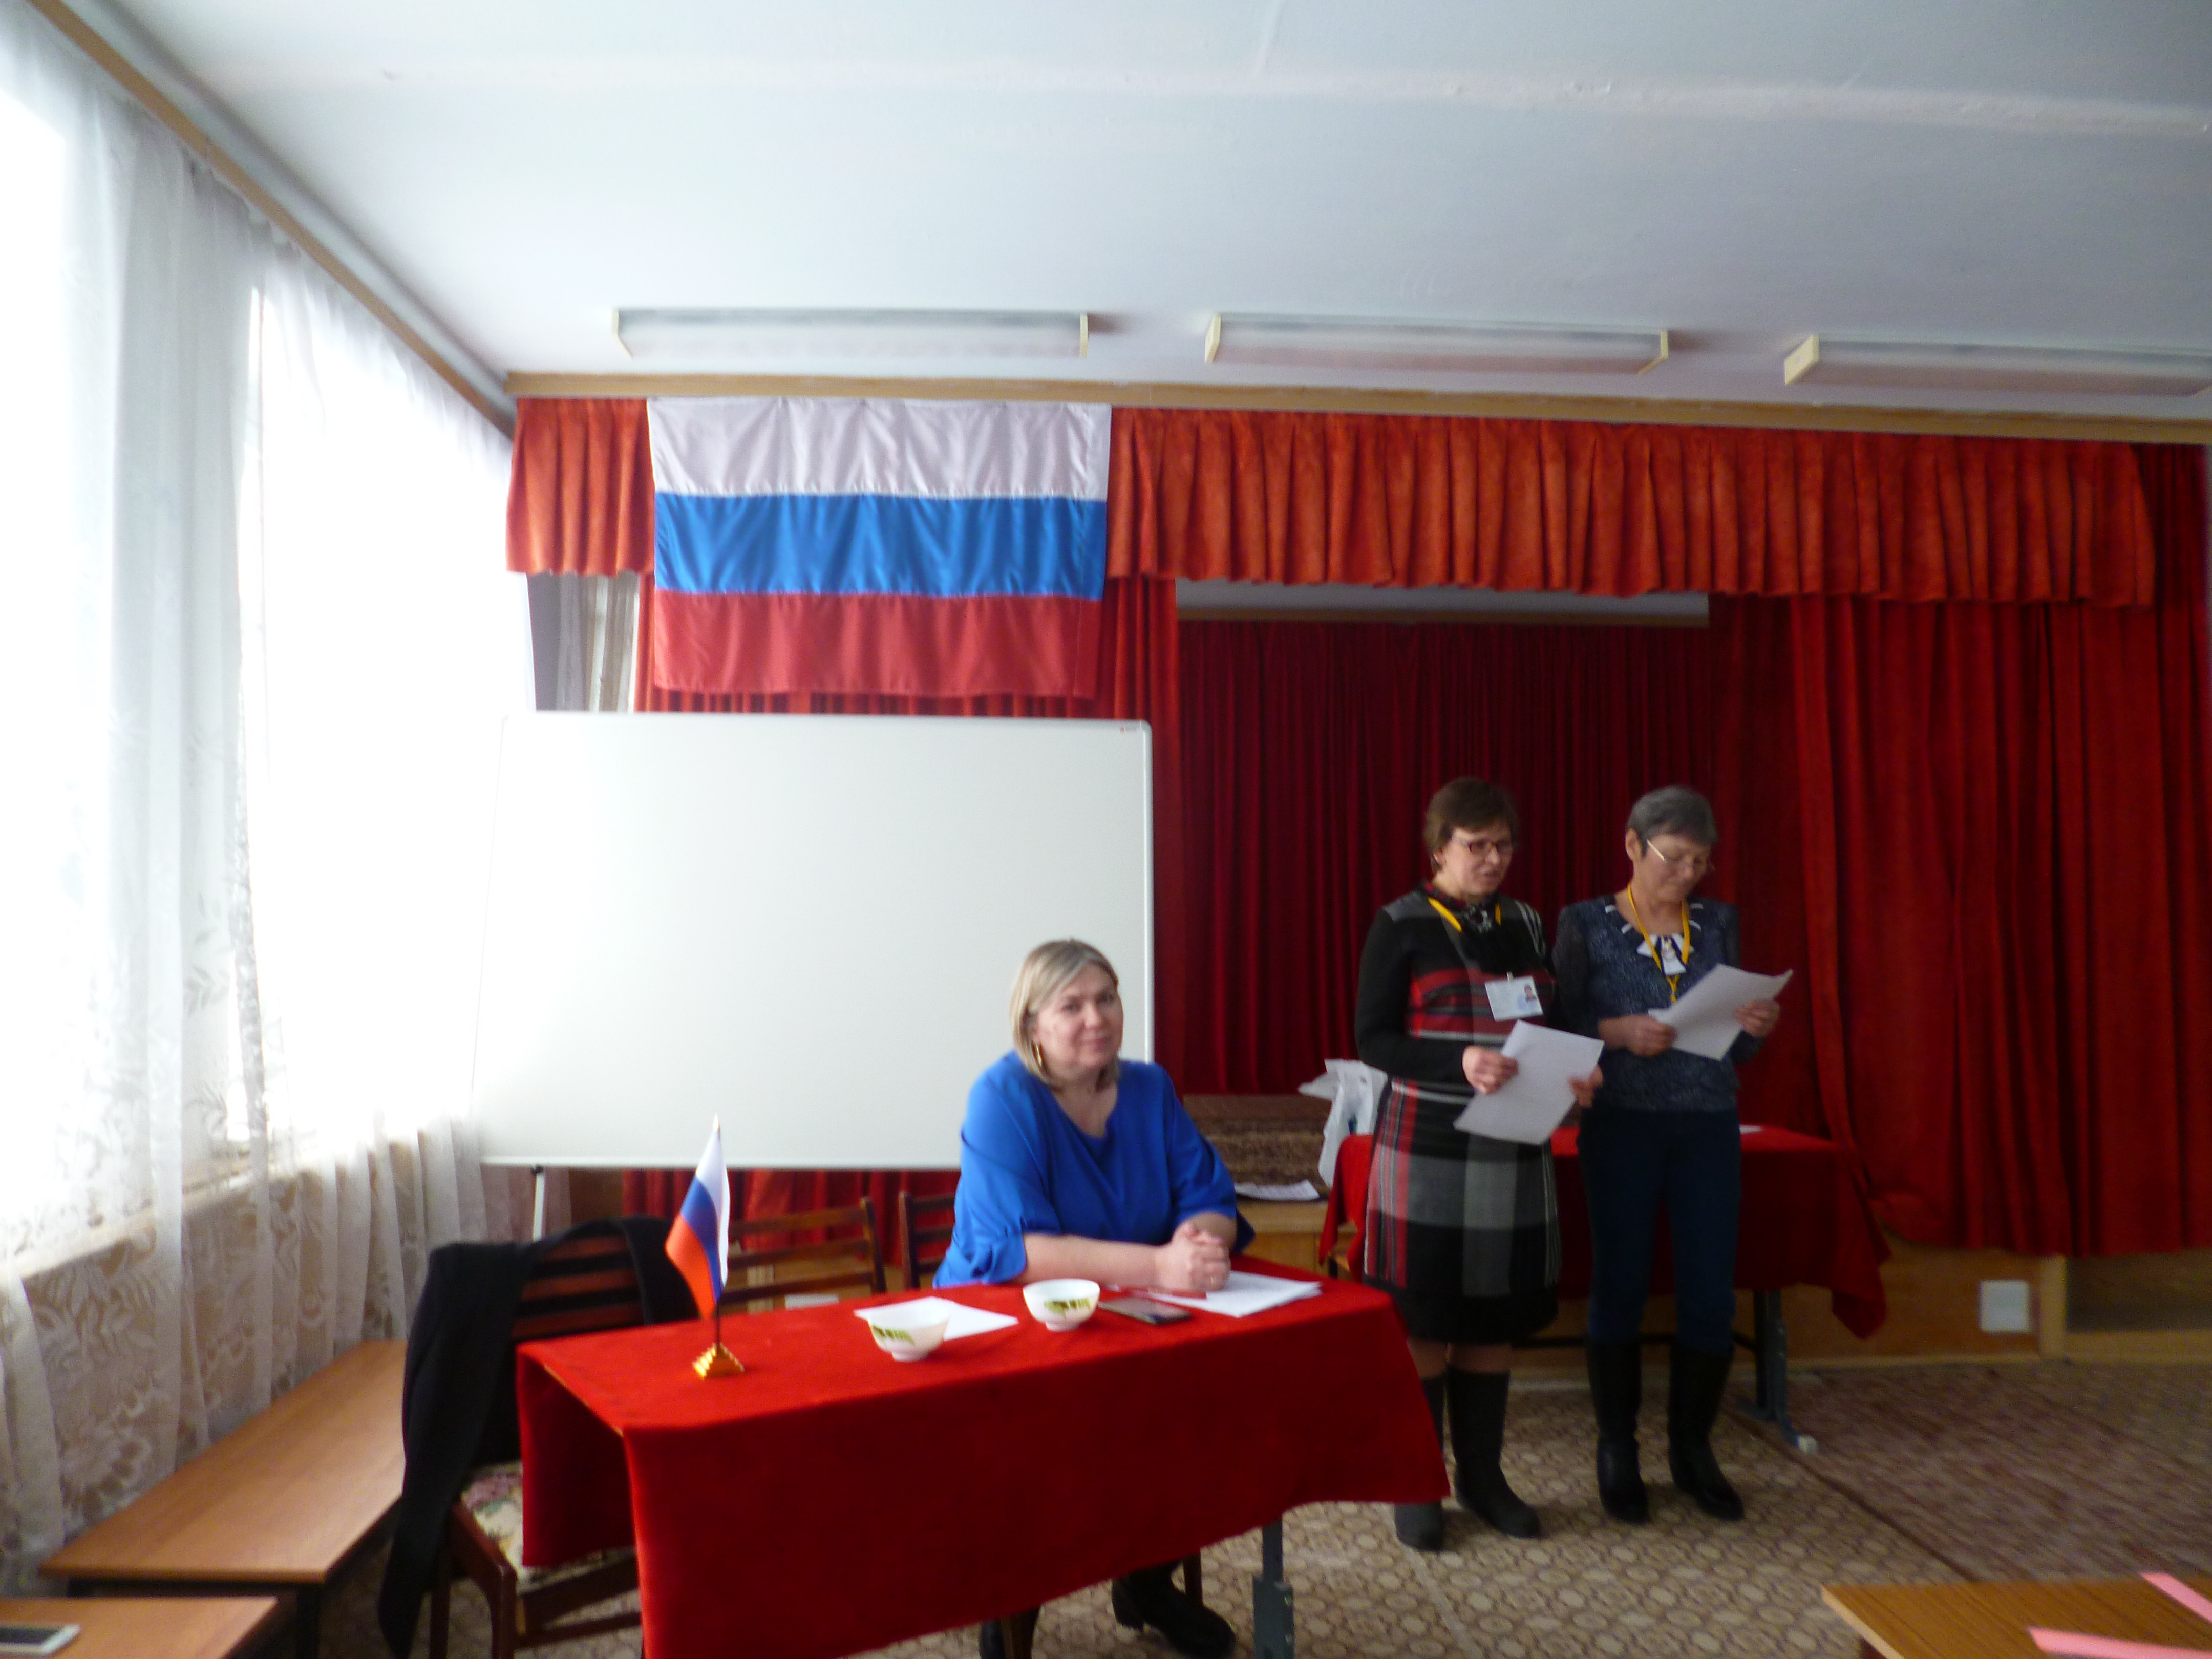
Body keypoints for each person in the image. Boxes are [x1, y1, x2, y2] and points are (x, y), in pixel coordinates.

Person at [937, 939, 1246, 1659]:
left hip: (1129, 1316)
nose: (1096, 1018)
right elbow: (1023, 1255)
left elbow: (1212, 1198)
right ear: (1032, 1024)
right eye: (1071, 1005)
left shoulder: (1150, 1088)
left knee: (1197, 1417)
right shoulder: (1001, 1097)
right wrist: (1163, 1265)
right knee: (1036, 1460)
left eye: (1107, 998)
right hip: (1008, 1325)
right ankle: (1010, 1606)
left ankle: (1146, 1581)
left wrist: (1199, 1244)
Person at [1353, 778, 1600, 1552]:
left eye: (1503, 845)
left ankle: (1485, 1480)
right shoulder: (1400, 924)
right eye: (1476, 846)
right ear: (1440, 849)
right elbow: (1374, 1040)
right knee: (1425, 1318)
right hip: (1428, 1144)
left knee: (1496, 1315)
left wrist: (1575, 1070)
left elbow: (1551, 1018)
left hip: (1514, 1137)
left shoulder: (1525, 922)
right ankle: (1418, 1481)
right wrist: (1457, 1059)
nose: (1493, 859)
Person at [1552, 786, 1782, 1525]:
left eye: (1699, 863)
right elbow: (1560, 1026)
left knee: (1710, 1291)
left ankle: (1693, 1450)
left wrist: (1756, 1026)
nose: (1687, 875)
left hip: (1707, 1124)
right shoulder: (1584, 923)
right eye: (1674, 858)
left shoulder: (1719, 923)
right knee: (1619, 1283)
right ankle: (1617, 1449)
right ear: (1633, 846)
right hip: (1622, 1125)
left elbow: (1739, 1048)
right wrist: (1617, 1032)